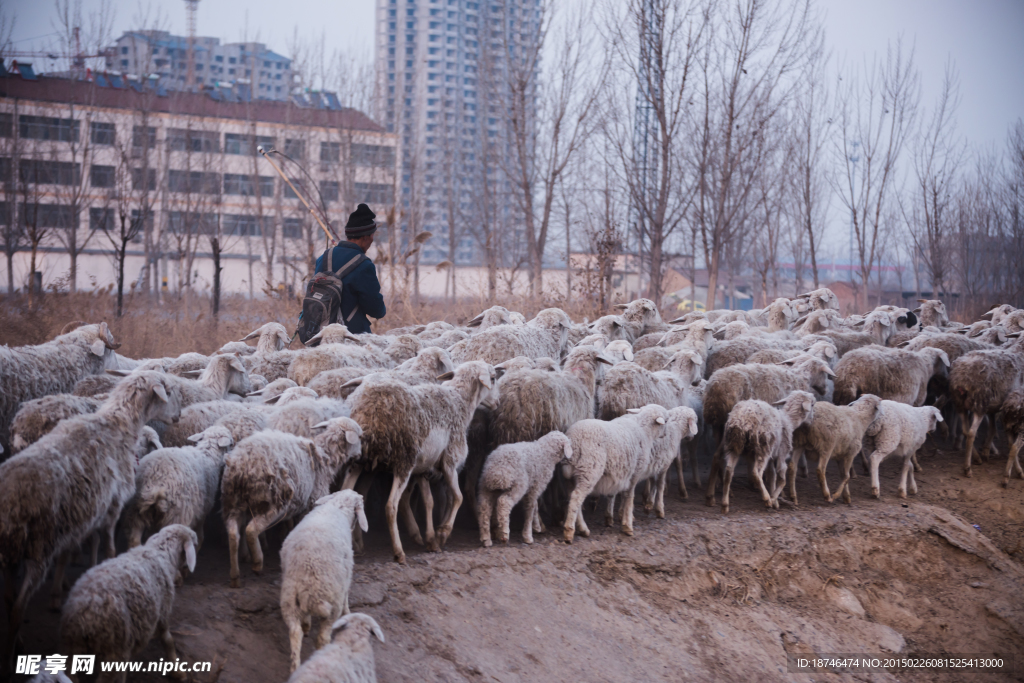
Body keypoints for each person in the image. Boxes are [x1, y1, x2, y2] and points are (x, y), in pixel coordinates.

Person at [313, 203, 386, 334]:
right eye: (372, 236)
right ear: (365, 237)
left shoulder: (324, 257)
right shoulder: (364, 265)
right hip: (350, 337)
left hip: (319, 333)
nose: (372, 240)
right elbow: (376, 309)